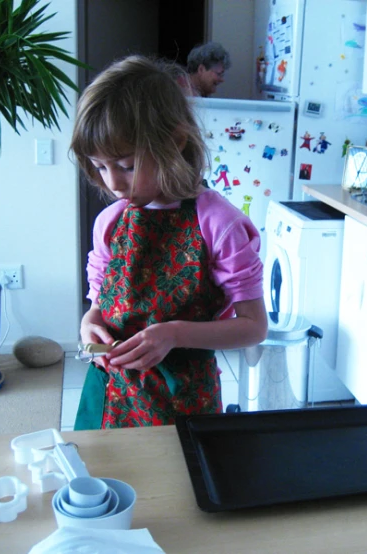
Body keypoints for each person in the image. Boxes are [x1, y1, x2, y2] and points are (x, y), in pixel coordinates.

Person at [70, 55, 267, 429]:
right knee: (105, 482)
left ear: (174, 142)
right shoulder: (110, 223)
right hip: (109, 393)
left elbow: (254, 327)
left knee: (178, 484)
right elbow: (100, 301)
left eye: (127, 165)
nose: (112, 184)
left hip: (182, 400)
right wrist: (89, 325)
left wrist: (174, 334)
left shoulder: (219, 225)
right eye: (99, 167)